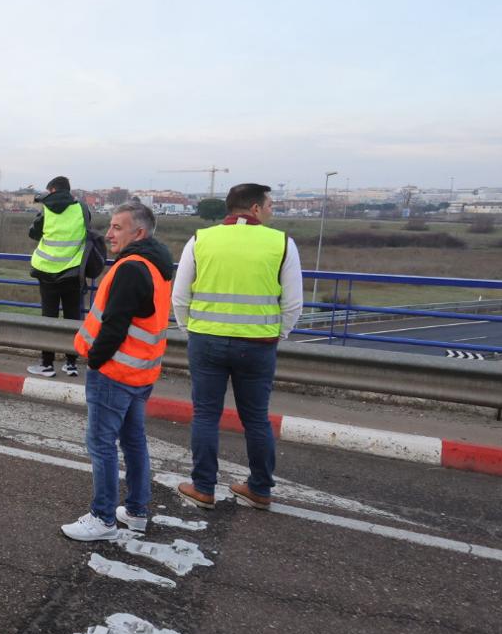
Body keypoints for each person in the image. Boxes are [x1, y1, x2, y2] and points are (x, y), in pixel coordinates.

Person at [172, 182, 303, 511]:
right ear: (255, 208)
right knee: (256, 419)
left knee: (205, 415)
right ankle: (259, 488)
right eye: (270, 205)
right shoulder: (282, 243)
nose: (273, 210)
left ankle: (203, 488)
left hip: (206, 341)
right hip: (257, 345)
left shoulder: (200, 239)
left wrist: (191, 330)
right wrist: (278, 334)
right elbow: (293, 305)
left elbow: (179, 296)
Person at [59, 202, 175, 541]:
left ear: (138, 232)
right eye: (110, 226)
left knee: (101, 443)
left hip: (115, 372)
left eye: (117, 227)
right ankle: (137, 511)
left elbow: (115, 324)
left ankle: (103, 518)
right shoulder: (158, 264)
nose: (108, 233)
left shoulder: (131, 268)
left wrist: (95, 359)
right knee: (134, 441)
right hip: (141, 372)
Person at [27, 176, 93, 378]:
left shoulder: (45, 208)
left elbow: (34, 233)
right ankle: (71, 364)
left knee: (49, 318)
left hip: (47, 273)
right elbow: (87, 231)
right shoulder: (82, 208)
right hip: (73, 273)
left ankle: (47, 365)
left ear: (53, 189)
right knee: (73, 317)